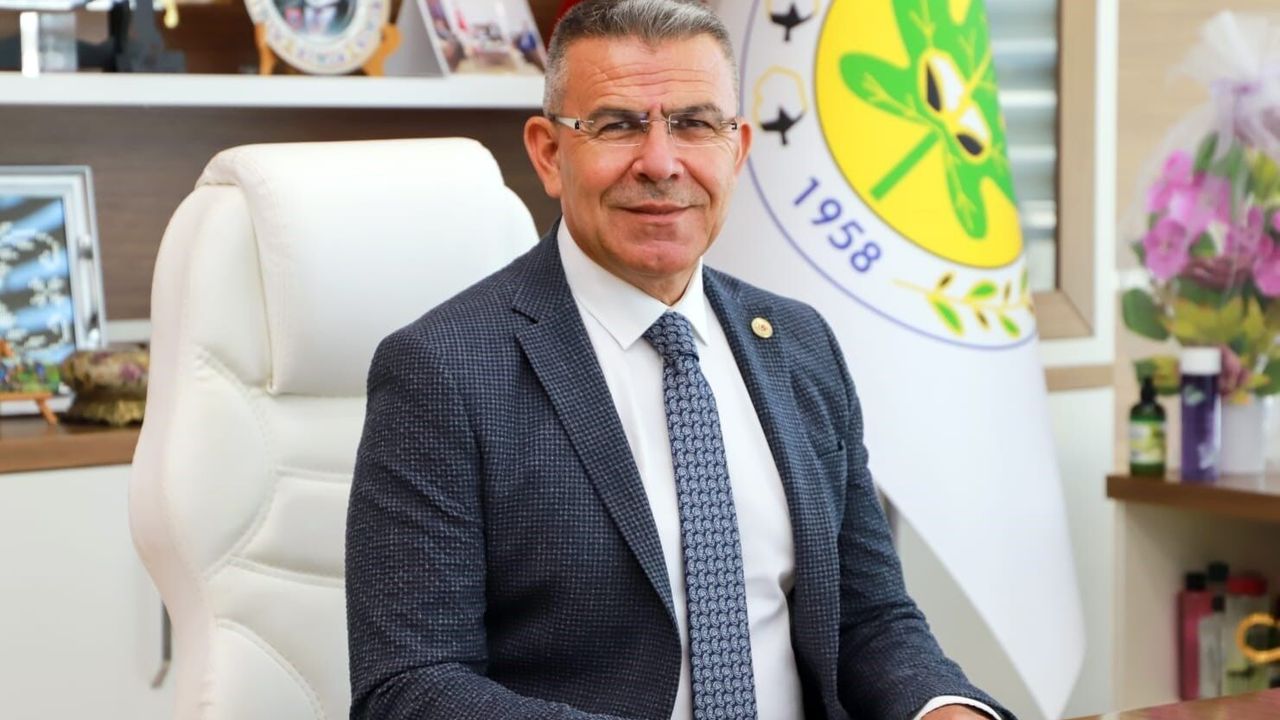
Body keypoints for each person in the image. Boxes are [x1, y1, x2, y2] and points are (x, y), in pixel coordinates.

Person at [345, 1, 1014, 719]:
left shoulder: (800, 344)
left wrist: (945, 708)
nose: (662, 163)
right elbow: (409, 686)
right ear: (548, 153)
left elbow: (868, 617)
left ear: (738, 149)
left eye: (695, 124)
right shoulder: (441, 371)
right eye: (617, 125)